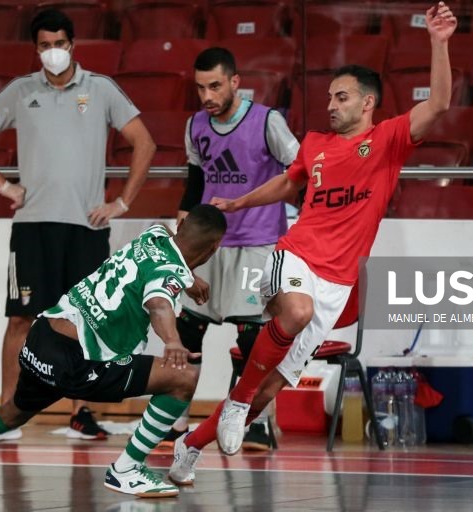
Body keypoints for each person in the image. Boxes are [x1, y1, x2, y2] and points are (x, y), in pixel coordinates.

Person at [168, 2, 457, 484]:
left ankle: (190, 446)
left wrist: (438, 42)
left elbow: (440, 104)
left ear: (368, 103)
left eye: (342, 97)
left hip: (337, 283)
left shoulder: (388, 141)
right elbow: (288, 183)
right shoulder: (316, 144)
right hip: (295, 255)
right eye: (329, 97)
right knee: (294, 314)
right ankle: (238, 401)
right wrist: (239, 202)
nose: (331, 105)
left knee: (271, 387)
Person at [0, 204, 227, 499]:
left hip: (41, 338)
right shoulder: (169, 275)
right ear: (215, 247)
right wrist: (172, 340)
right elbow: (158, 304)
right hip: (80, 361)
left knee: (12, 413)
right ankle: (126, 470)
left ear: (180, 224)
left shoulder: (154, 235)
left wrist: (188, 279)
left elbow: (163, 248)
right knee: (183, 378)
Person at [0, 8, 156, 441]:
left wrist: (121, 202)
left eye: (59, 44)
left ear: (72, 45)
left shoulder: (101, 88)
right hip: (32, 226)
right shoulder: (20, 90)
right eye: (45, 46)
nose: (53, 52)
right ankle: (7, 412)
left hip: (87, 228)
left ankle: (81, 413)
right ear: (36, 49)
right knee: (20, 319)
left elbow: (144, 142)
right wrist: (2, 186)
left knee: (85, 320)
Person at [159, 47, 300, 452]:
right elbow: (193, 184)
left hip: (257, 244)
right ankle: (173, 421)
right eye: (201, 87)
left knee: (253, 338)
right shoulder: (196, 125)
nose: (207, 95)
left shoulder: (268, 121)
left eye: (215, 86)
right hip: (209, 246)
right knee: (188, 330)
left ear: (235, 82)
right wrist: (183, 247)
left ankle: (256, 422)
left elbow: (300, 171)